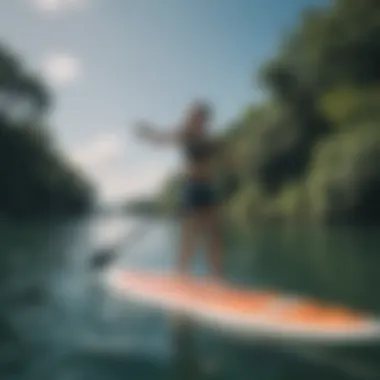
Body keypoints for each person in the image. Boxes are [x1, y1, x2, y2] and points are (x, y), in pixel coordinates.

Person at [134, 101, 231, 280]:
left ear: (206, 119)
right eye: (195, 115)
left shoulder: (210, 140)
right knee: (190, 237)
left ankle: (217, 279)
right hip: (192, 188)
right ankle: (180, 276)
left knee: (215, 236)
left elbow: (226, 158)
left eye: (202, 116)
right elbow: (161, 139)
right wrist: (147, 133)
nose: (198, 119)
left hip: (209, 188)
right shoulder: (185, 134)